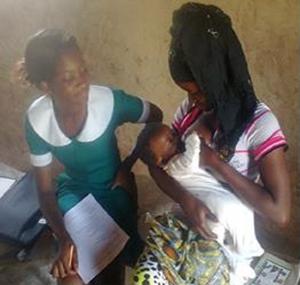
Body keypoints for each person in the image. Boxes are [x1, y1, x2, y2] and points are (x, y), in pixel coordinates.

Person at [132, 3, 291, 285]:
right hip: (189, 217)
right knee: (145, 277)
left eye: (197, 91)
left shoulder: (260, 126)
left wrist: (216, 163)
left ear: (218, 78)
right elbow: (157, 165)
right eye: (186, 93)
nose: (193, 101)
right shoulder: (189, 112)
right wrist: (186, 200)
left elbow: (279, 213)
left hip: (227, 236)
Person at [20, 29, 162, 285]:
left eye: (83, 70)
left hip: (113, 188)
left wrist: (127, 165)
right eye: (69, 77)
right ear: (46, 85)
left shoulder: (109, 102)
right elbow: (44, 191)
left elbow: (156, 116)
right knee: (71, 277)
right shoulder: (37, 119)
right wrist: (63, 236)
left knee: (106, 268)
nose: (82, 82)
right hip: (72, 192)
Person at [135, 122, 264, 283]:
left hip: (207, 203)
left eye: (173, 134)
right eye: (170, 140)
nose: (176, 138)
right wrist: (193, 135)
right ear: (160, 161)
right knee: (240, 214)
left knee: (219, 235)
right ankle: (247, 253)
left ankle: (234, 262)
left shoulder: (170, 167)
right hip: (217, 202)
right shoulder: (178, 164)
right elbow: (193, 152)